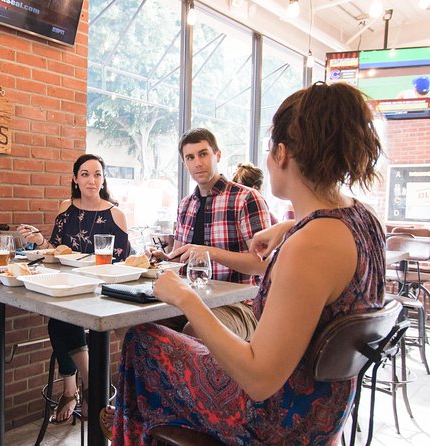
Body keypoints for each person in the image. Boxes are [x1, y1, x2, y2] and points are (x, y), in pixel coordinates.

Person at [101, 82, 385, 444]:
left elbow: (258, 379)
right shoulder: (364, 219)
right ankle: (136, 421)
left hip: (276, 420)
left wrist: (186, 297)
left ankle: (132, 426)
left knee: (142, 340)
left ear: (281, 153)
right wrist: (287, 226)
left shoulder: (309, 247)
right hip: (325, 410)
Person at [18, 154, 128, 424]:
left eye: (98, 174)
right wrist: (40, 240)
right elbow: (55, 252)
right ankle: (90, 388)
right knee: (60, 319)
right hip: (68, 287)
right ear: (75, 178)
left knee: (59, 323)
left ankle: (71, 390)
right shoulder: (65, 209)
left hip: (101, 291)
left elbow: (124, 263)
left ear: (103, 179)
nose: (92, 180)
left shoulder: (116, 214)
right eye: (86, 174)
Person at [151, 128, 272, 341]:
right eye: (190, 157)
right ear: (184, 163)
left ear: (217, 155)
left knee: (195, 330)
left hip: (241, 305)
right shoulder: (185, 205)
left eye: (203, 154)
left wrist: (209, 252)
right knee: (140, 326)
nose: (197, 162)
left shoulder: (246, 198)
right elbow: (180, 259)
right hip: (191, 299)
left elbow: (262, 264)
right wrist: (164, 259)